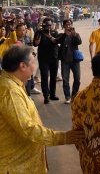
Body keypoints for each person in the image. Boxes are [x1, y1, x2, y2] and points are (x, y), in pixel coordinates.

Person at [0, 45, 85, 173]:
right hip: (16, 166)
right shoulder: (10, 91)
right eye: (32, 63)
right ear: (22, 66)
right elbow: (28, 129)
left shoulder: (14, 84)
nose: (34, 67)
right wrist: (63, 138)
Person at [33, 17, 59, 104]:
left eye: (50, 25)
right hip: (43, 58)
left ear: (52, 25)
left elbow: (56, 42)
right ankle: (46, 96)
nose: (48, 27)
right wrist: (39, 32)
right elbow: (36, 43)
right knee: (44, 77)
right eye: (46, 25)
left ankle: (52, 94)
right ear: (43, 25)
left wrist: (49, 36)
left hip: (54, 57)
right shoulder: (40, 32)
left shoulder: (55, 32)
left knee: (53, 77)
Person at [57, 19, 82, 104]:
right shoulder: (61, 35)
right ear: (63, 26)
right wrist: (65, 35)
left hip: (75, 60)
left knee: (77, 78)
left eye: (69, 24)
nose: (68, 26)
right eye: (66, 25)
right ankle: (67, 96)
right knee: (65, 79)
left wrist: (74, 34)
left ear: (72, 25)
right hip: (65, 61)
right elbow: (58, 41)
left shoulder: (76, 34)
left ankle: (74, 95)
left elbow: (79, 42)